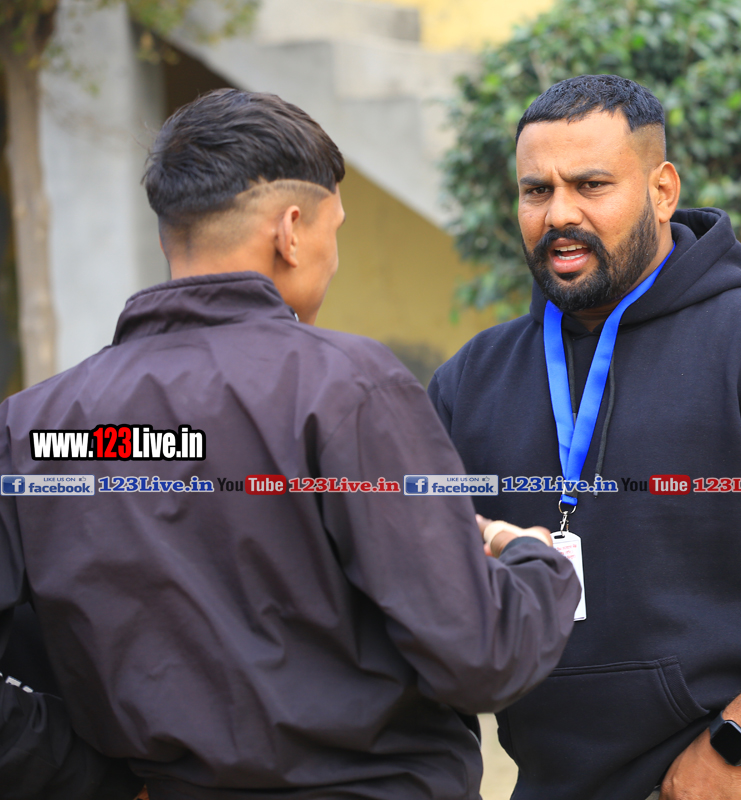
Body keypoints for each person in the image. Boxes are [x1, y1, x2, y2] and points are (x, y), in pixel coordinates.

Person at [0, 88, 580, 800]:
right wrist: (533, 562)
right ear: (292, 231)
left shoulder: (34, 427)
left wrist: (90, 776)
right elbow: (480, 656)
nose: (333, 260)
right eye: (337, 230)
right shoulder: (344, 388)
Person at [427, 75, 741, 800]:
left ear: (662, 190)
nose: (559, 213)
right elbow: (423, 585)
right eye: (536, 190)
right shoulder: (469, 380)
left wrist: (736, 743)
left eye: (591, 185)